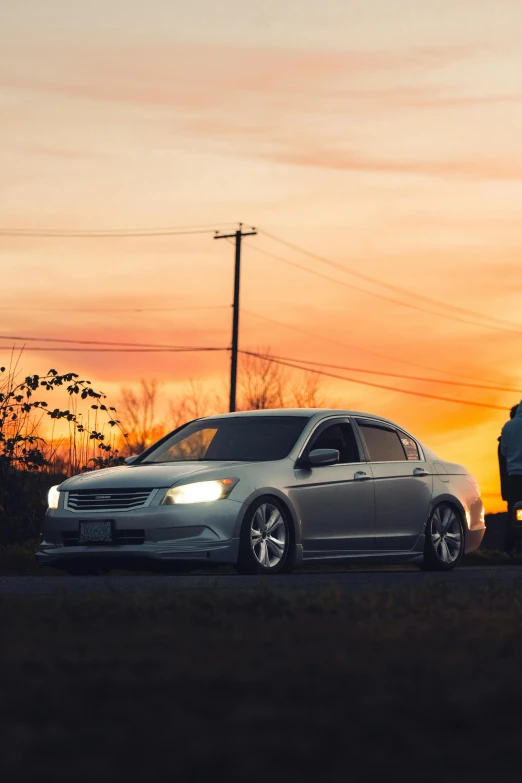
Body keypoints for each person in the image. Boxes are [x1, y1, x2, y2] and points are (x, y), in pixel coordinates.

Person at [499, 403, 522, 554]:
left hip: (514, 475)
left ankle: (509, 548)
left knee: (512, 512)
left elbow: (504, 451)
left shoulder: (508, 426)